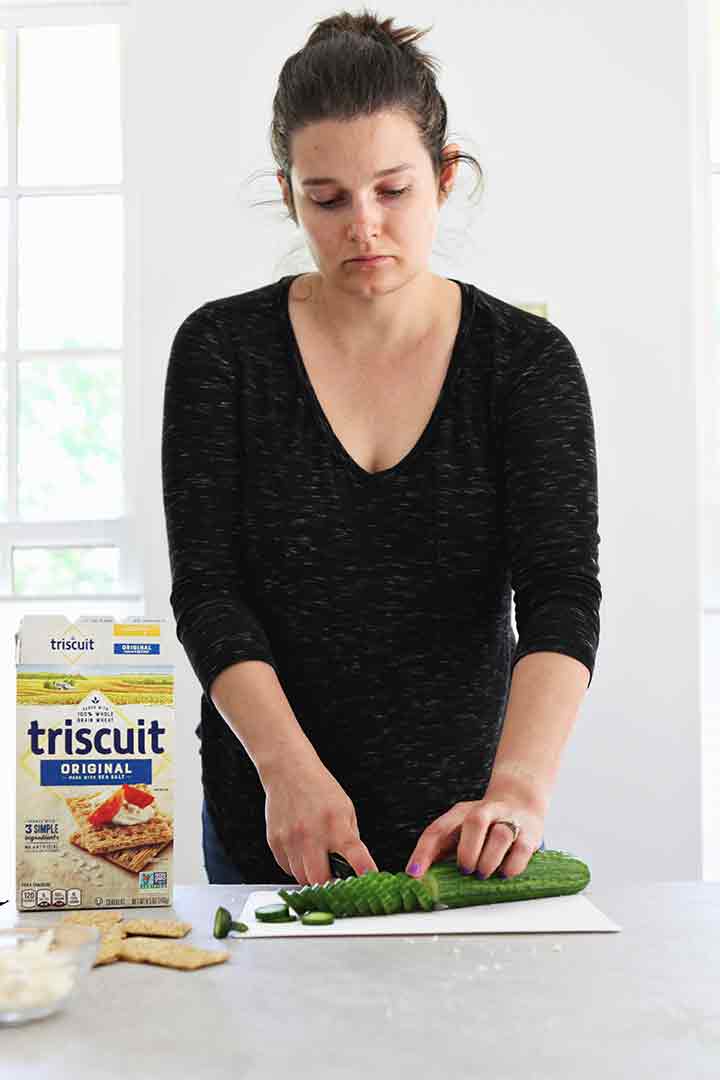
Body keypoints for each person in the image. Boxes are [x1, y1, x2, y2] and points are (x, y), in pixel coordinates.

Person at [161, 9, 600, 887]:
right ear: (289, 194)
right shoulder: (222, 351)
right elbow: (210, 593)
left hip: (465, 836)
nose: (363, 225)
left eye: (392, 191)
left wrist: (517, 788)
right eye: (327, 198)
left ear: (443, 179)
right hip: (274, 822)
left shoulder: (525, 364)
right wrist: (287, 770)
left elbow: (559, 595)